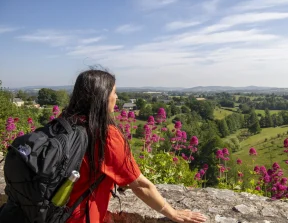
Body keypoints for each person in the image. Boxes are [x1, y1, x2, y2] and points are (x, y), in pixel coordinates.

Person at [62, 69, 207, 223]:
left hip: (47, 213)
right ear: (103, 97)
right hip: (79, 218)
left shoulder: (61, 123)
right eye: (114, 92)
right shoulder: (105, 135)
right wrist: (172, 213)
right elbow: (139, 185)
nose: (116, 97)